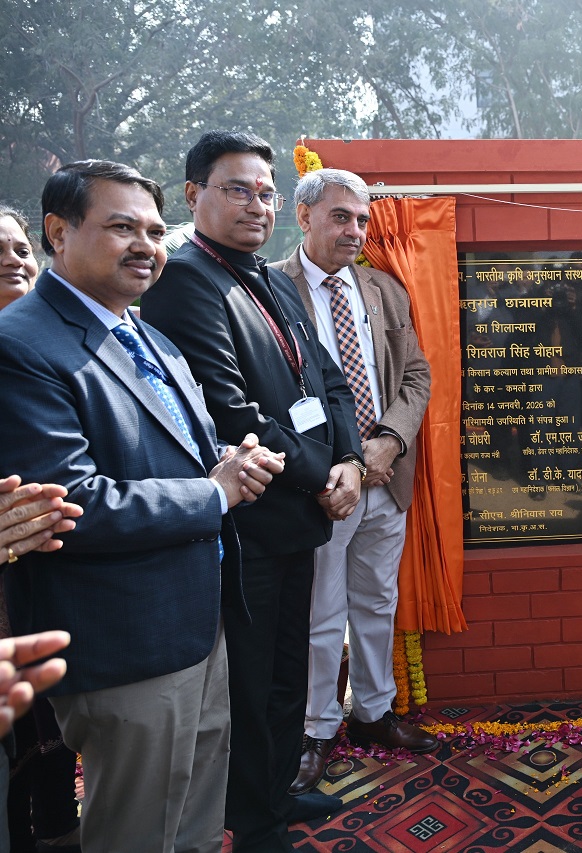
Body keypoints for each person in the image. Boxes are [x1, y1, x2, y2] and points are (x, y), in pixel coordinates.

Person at [0, 159, 286, 853]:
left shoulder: (146, 333)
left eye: (156, 231)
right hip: (127, 639)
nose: (146, 245)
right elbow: (71, 504)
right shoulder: (23, 346)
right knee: (136, 834)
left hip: (197, 625)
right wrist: (214, 491)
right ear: (58, 233)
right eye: (122, 226)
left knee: (189, 828)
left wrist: (231, 457)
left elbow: (180, 448)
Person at [141, 131, 365, 852]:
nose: (256, 204)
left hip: (300, 513)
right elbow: (233, 412)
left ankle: (273, 793)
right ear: (193, 195)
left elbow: (328, 381)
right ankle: (253, 820)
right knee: (248, 681)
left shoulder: (265, 277)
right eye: (238, 189)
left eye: (266, 192)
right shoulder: (185, 280)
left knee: (285, 673)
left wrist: (352, 463)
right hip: (247, 525)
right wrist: (319, 474)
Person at [270, 168, 436, 796]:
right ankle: (315, 729)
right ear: (303, 214)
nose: (354, 230)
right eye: (341, 216)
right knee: (320, 612)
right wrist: (334, 466)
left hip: (385, 479)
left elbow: (415, 376)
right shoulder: (270, 291)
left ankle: (372, 714)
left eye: (362, 218)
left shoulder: (384, 290)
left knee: (376, 602)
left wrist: (389, 441)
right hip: (320, 488)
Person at [0, 205, 82, 852]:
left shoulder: (54, 347)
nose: (14, 261)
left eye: (21, 249)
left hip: (49, 588)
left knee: (51, 743)